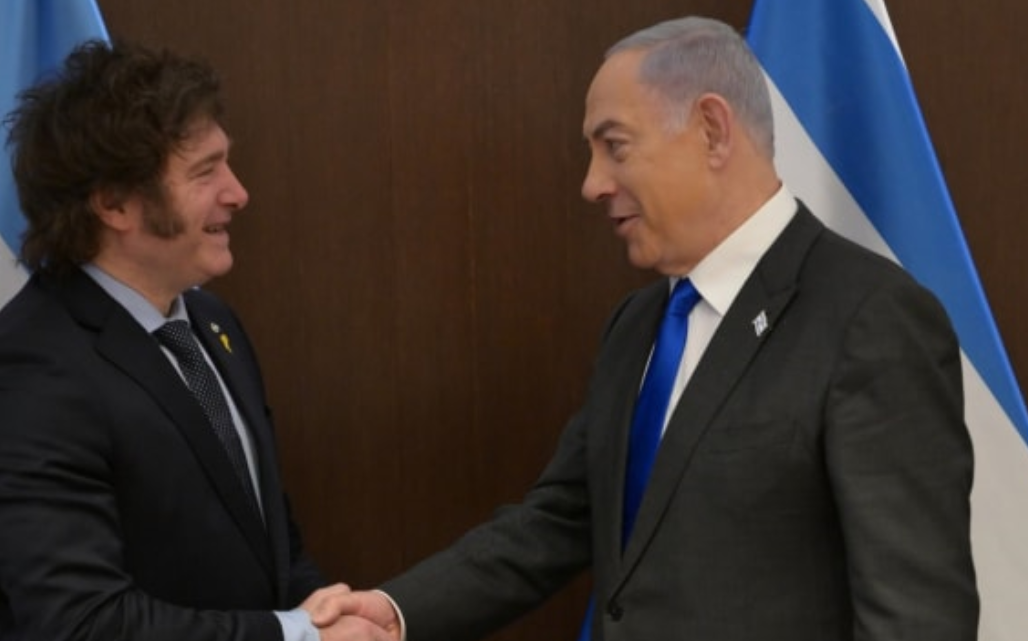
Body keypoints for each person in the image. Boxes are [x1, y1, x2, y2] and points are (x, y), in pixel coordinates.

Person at [311, 15, 978, 641]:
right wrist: (397, 611)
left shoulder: (870, 317)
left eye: (615, 147)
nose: (592, 184)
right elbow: (560, 518)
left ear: (712, 130)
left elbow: (916, 618)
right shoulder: (637, 325)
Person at [0, 40, 388, 641]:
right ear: (113, 202)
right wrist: (295, 636)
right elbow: (83, 624)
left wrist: (327, 614)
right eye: (205, 171)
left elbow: (267, 542)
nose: (238, 192)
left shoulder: (212, 323)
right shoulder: (24, 376)